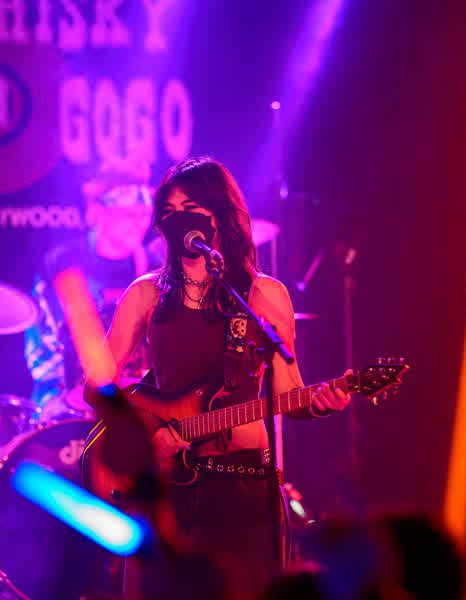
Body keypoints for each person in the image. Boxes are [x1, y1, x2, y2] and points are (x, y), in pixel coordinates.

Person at [86, 156, 351, 600]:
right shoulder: (145, 294)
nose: (178, 220)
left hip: (244, 490)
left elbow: (288, 392)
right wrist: (146, 437)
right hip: (169, 490)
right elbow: (98, 387)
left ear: (219, 214)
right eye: (168, 212)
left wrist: (323, 401)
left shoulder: (263, 295)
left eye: (190, 208)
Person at [24, 155, 165, 419]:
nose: (139, 223)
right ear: (98, 211)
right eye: (128, 214)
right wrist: (60, 402)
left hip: (141, 408)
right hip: (72, 409)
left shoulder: (156, 269)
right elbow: (43, 350)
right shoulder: (63, 265)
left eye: (145, 214)